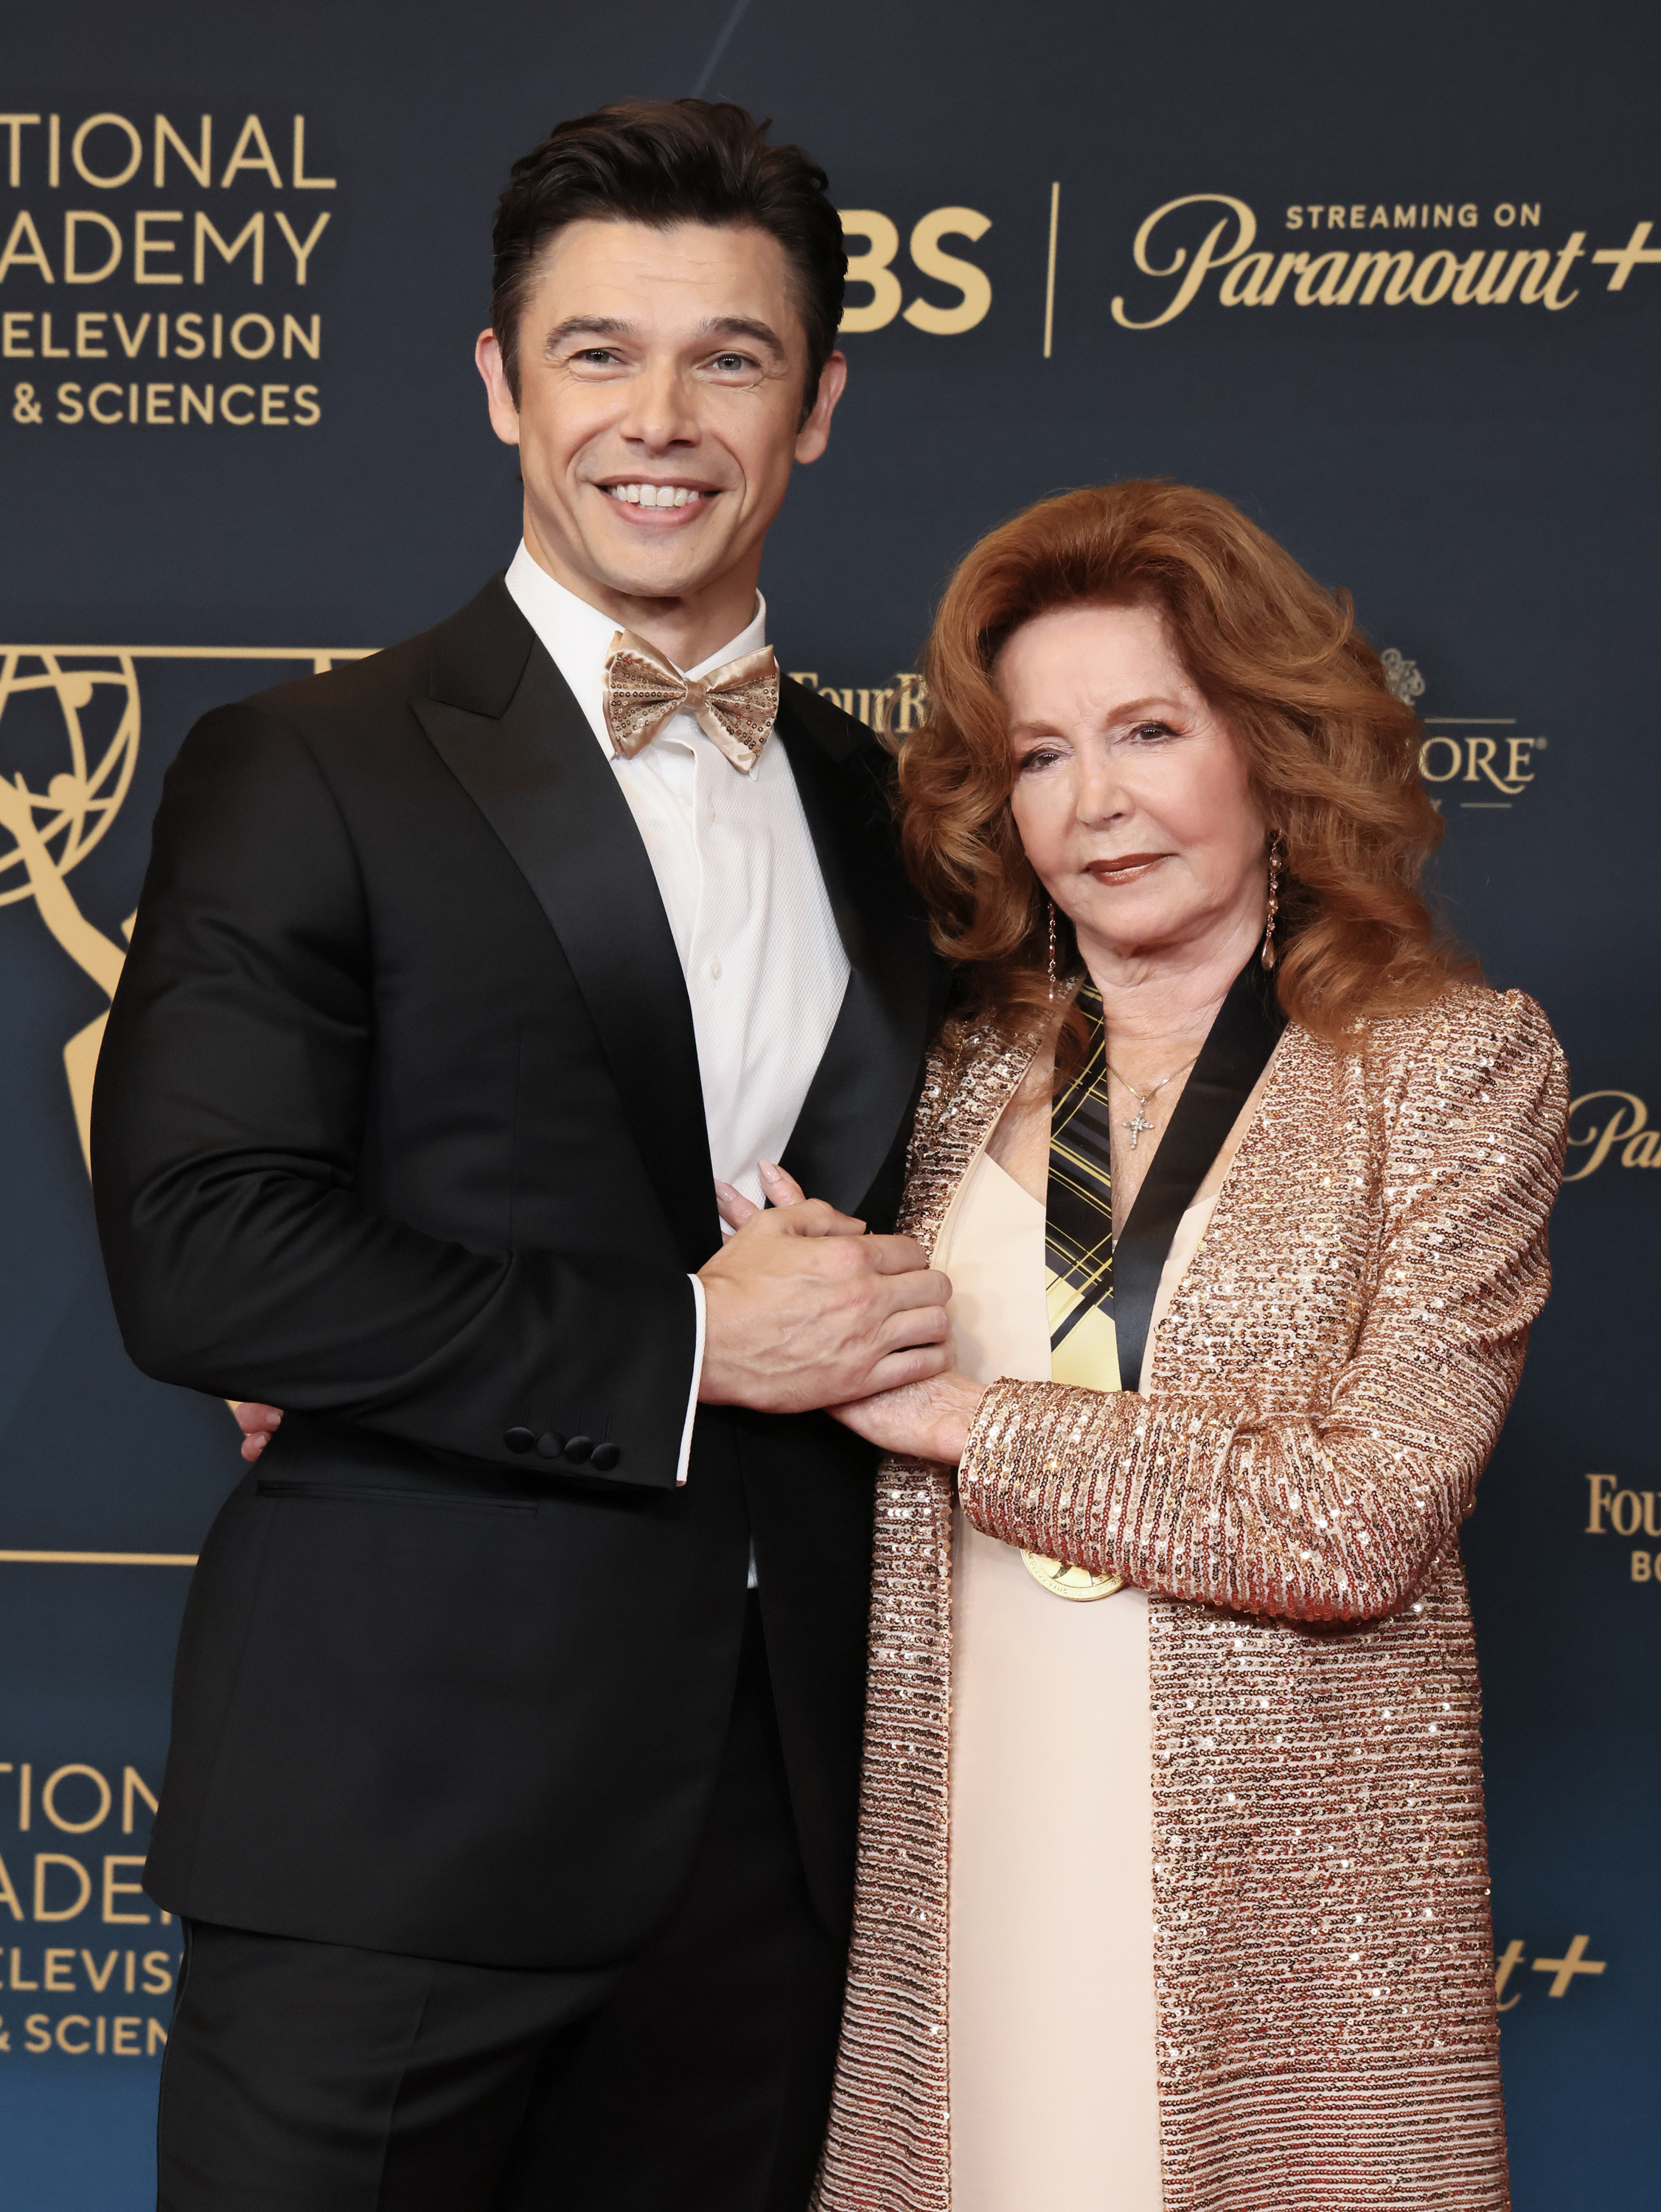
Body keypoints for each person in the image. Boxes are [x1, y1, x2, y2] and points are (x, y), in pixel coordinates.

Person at [91, 100, 953, 2212]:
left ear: (819, 403)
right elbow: (202, 1256)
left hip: (777, 1829)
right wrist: (679, 1345)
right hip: (397, 1814)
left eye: (729, 358)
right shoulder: (305, 764)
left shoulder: (885, 803)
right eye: (595, 352)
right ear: (497, 382)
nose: (656, 419)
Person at [739, 481, 1567, 2211]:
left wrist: (978, 1423)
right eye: (1040, 755)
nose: (1094, 803)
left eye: (1146, 731)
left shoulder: (1445, 1071)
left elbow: (1364, 1517)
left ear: (1267, 746)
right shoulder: (950, 1071)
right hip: (967, 1841)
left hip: (1278, 1900)